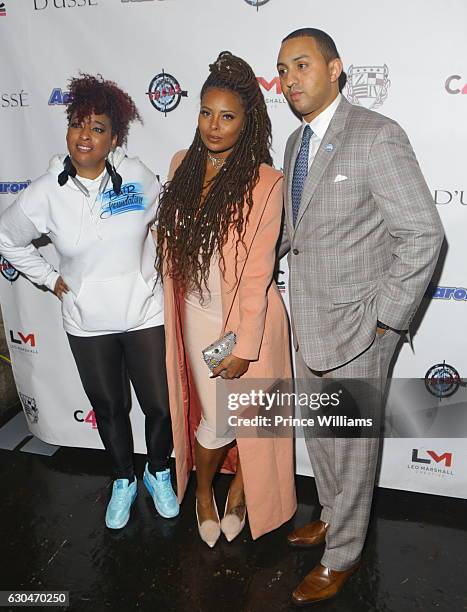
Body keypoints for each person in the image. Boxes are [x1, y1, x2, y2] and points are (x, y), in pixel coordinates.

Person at [276, 29, 444, 605]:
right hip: (308, 320)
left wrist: (387, 321)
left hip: (359, 328)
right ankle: (331, 514)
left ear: (336, 68)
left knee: (350, 442)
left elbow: (423, 234)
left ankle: (343, 553)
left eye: (302, 64)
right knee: (322, 436)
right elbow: (295, 237)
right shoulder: (296, 145)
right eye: (283, 69)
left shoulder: (376, 136)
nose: (290, 78)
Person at [0, 74, 179, 530]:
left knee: (158, 406)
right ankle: (123, 478)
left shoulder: (137, 175)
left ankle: (159, 471)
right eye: (79, 124)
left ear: (114, 138)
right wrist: (48, 277)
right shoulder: (45, 191)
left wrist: (156, 260)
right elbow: (7, 238)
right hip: (87, 321)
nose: (86, 135)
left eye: (98, 127)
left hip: (145, 313)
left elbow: (166, 218)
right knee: (111, 408)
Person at [155, 51, 296, 547]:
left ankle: (240, 494)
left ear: (247, 121)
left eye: (228, 116)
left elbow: (259, 273)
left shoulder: (265, 183)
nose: (214, 127)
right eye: (206, 113)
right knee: (217, 417)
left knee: (255, 420)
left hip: (248, 322)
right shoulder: (180, 165)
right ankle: (201, 493)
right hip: (195, 315)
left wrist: (243, 345)